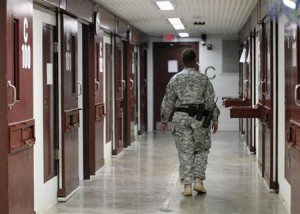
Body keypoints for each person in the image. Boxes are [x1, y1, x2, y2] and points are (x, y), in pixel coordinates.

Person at [160, 48, 220, 196]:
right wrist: (214, 119)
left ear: (183, 61)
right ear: (195, 61)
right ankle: (198, 181)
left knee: (184, 151)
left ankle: (187, 186)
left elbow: (168, 101)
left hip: (181, 118)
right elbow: (210, 102)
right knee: (201, 149)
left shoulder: (175, 79)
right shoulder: (203, 79)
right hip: (200, 118)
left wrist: (164, 119)